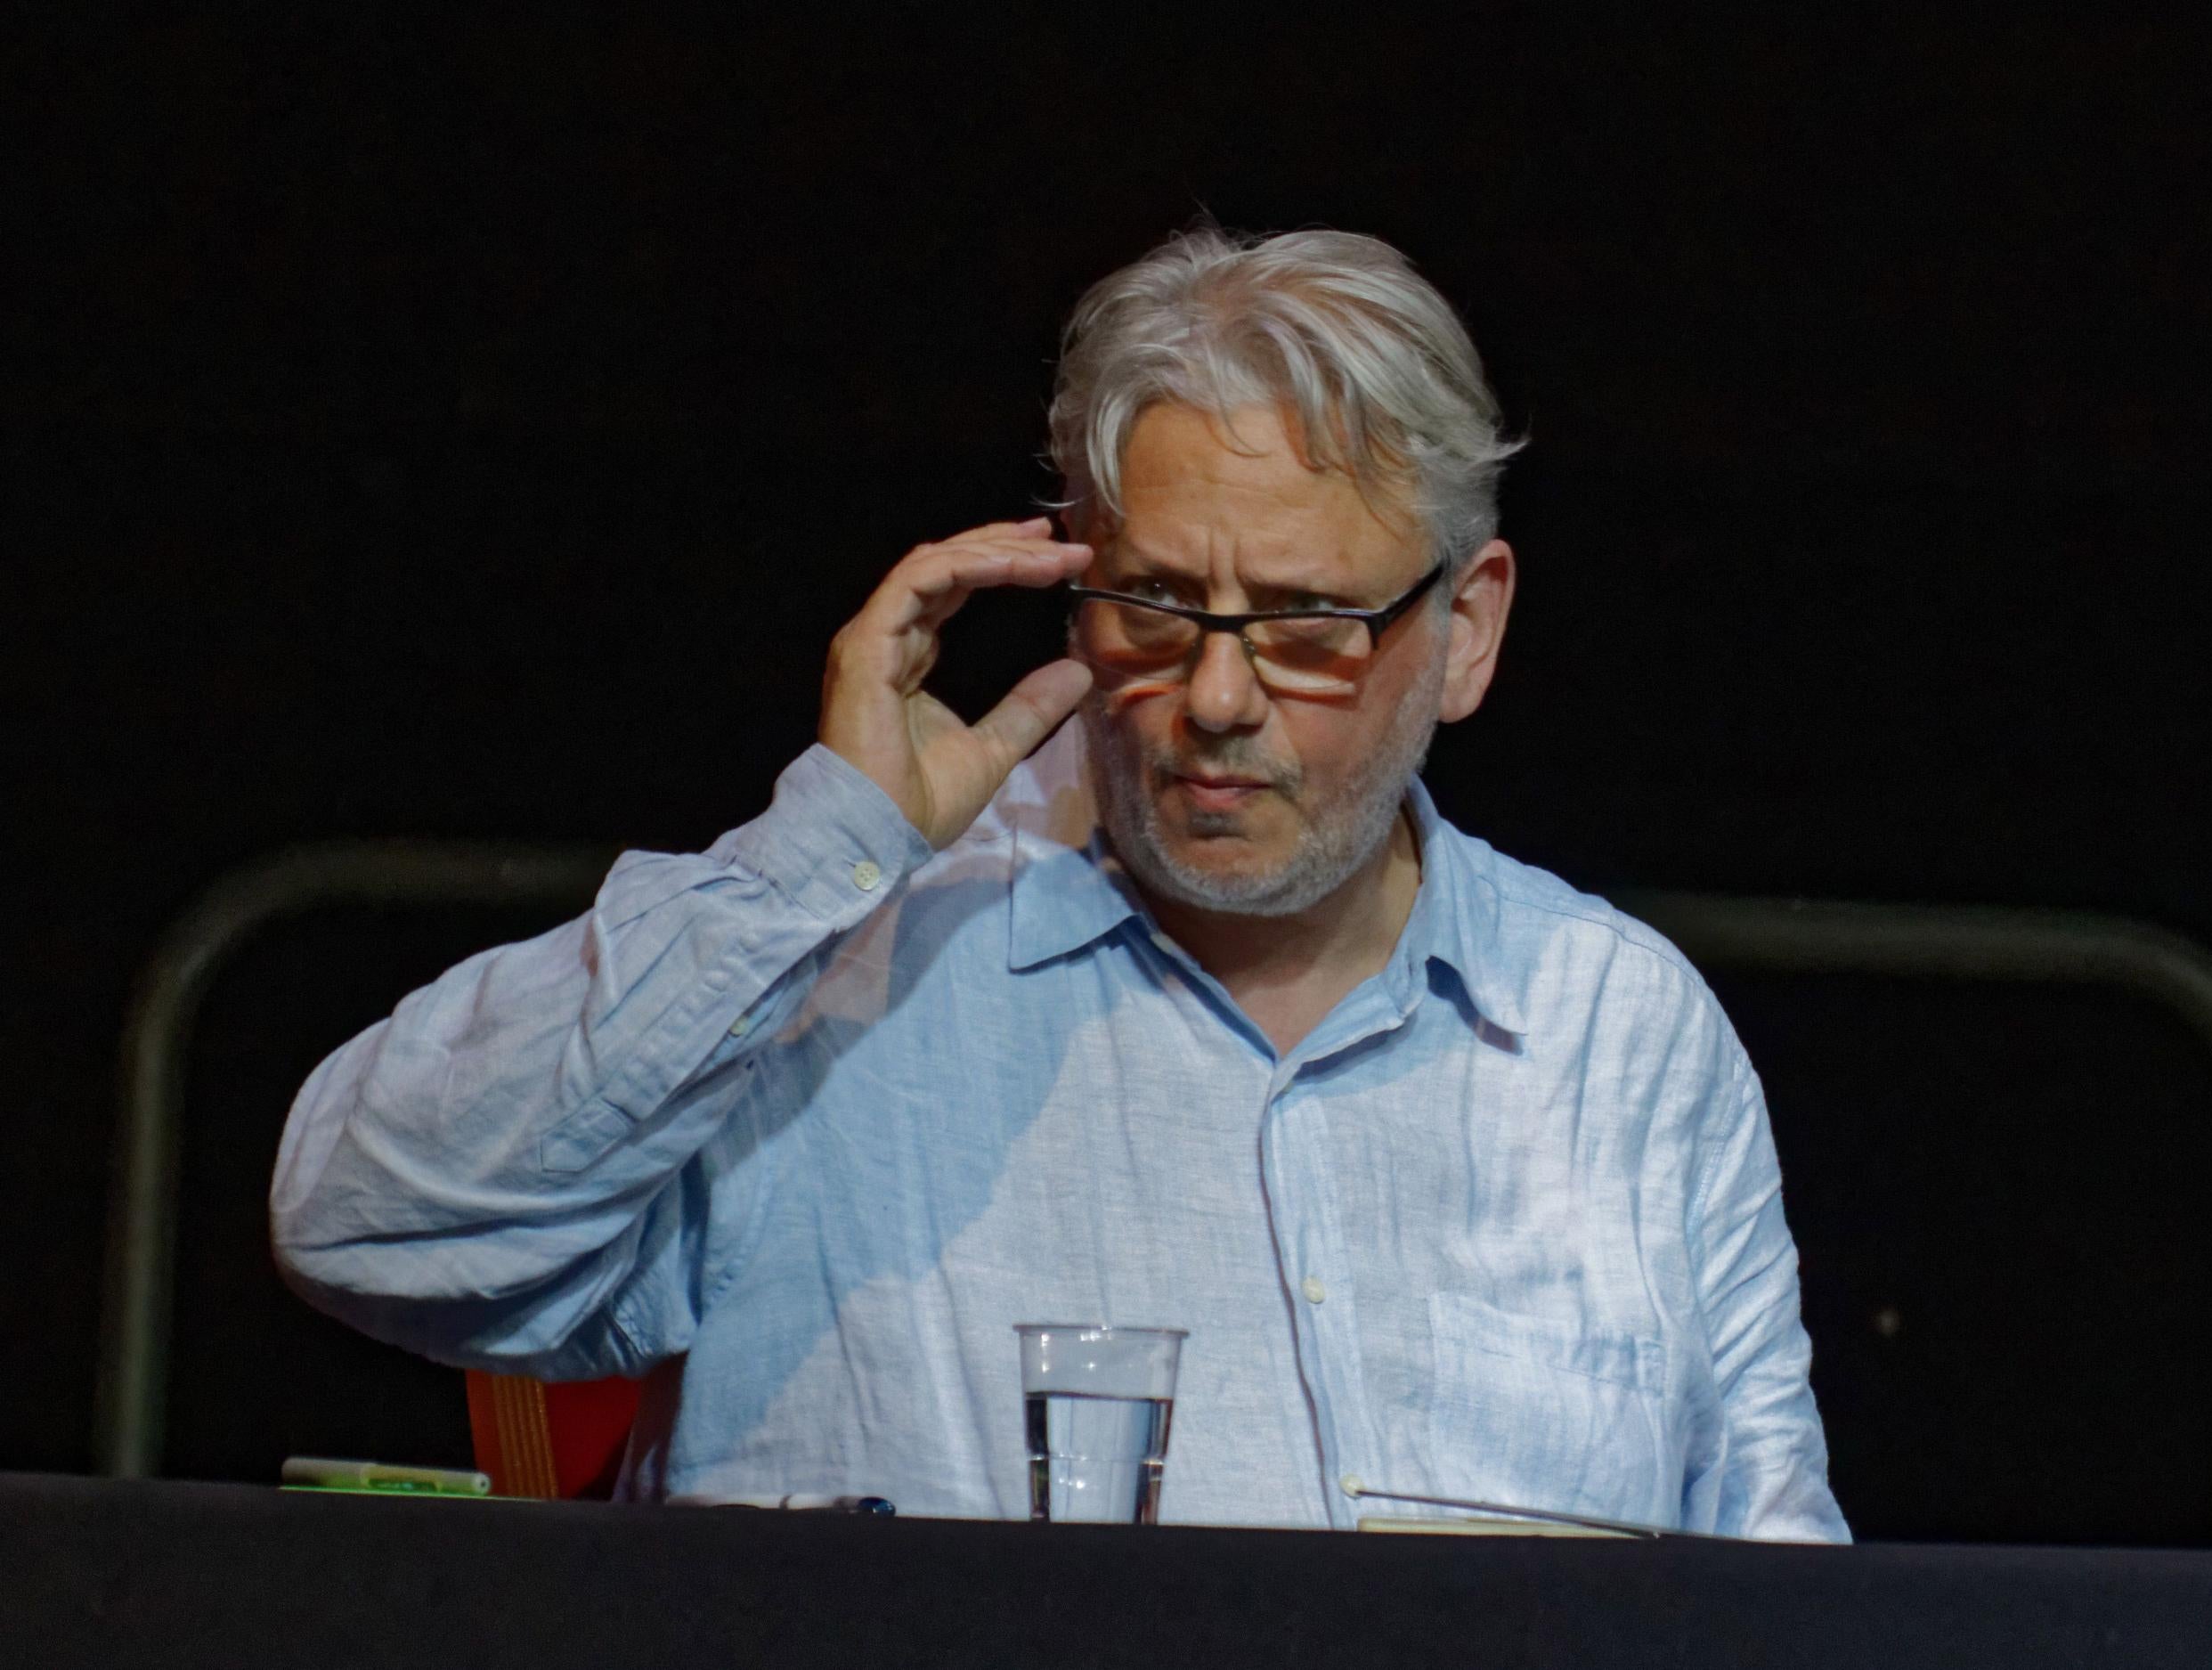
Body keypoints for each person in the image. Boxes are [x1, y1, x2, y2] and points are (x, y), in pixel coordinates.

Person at [272, 225, 1849, 1539]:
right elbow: (360, 1229)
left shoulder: (1620, 1034)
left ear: (1471, 629)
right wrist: (822, 853)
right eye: (1155, 607)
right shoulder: (845, 963)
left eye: (1307, 625)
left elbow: (1785, 1607)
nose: (1217, 698)